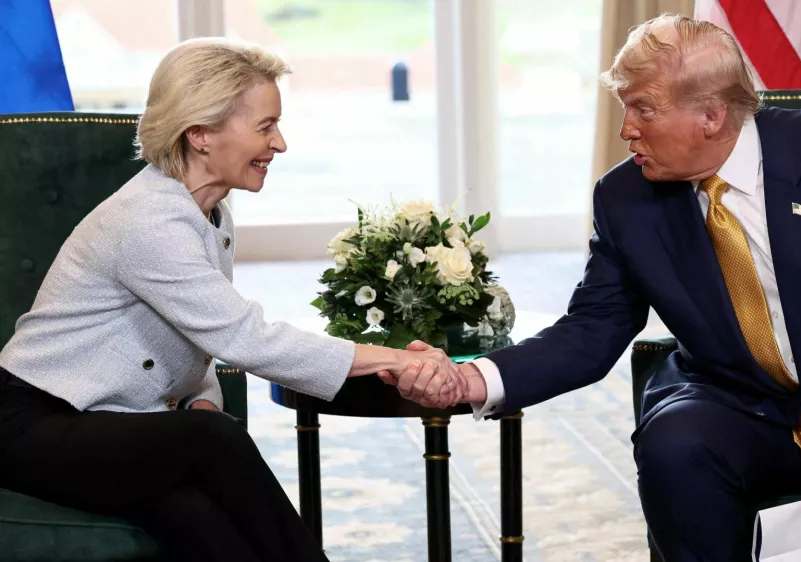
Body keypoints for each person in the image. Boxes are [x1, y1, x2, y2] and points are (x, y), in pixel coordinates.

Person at [391, 13, 801, 562]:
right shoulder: (624, 196)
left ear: (711, 115)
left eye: (643, 109)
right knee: (675, 445)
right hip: (740, 398)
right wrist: (476, 377)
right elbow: (592, 328)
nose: (626, 130)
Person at [0, 37, 462, 562]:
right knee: (210, 440)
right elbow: (243, 337)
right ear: (199, 133)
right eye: (265, 127)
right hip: (32, 424)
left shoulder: (211, 214)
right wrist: (398, 358)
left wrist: (203, 398)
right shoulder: (148, 219)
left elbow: (195, 337)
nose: (280, 144)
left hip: (114, 424)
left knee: (192, 515)